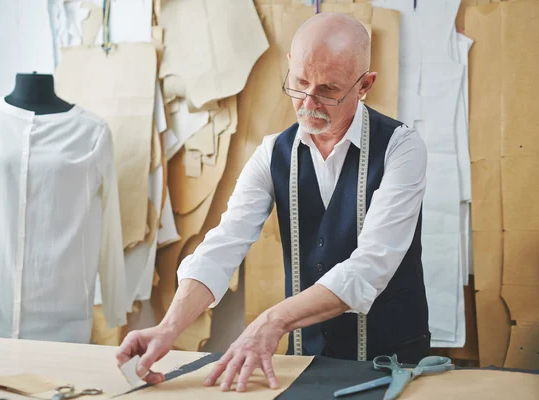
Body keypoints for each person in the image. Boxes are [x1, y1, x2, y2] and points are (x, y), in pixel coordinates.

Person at [116, 12, 430, 392]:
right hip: (306, 361)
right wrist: (168, 328)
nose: (308, 103)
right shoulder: (272, 154)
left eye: (329, 90)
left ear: (365, 85)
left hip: (391, 361)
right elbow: (222, 246)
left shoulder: (401, 148)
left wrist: (272, 321)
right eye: (299, 83)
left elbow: (370, 268)